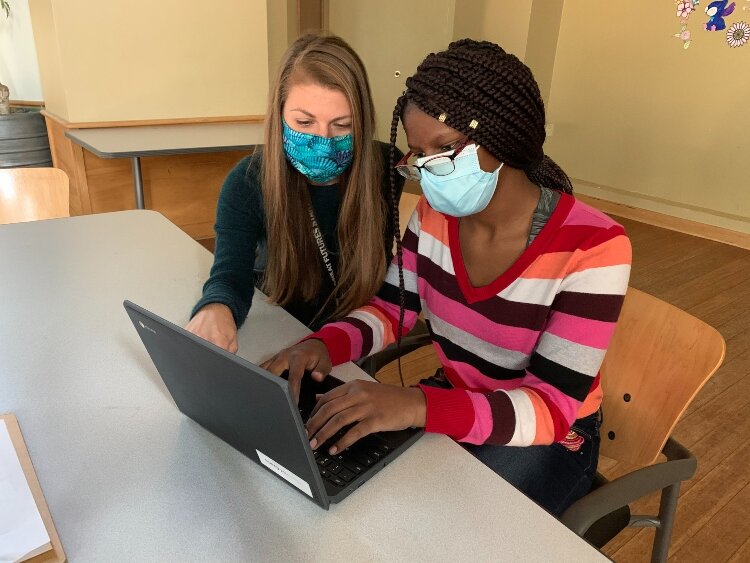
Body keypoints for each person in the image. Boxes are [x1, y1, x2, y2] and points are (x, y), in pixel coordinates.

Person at [262, 39, 632, 516]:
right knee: (359, 488)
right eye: (418, 153)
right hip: (459, 398)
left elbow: (548, 409)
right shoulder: (434, 216)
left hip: (554, 436)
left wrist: (416, 405)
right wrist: (323, 346)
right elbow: (390, 310)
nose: (429, 171)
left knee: (442, 523)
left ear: (504, 139)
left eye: (444, 149)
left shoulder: (594, 248)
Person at [187, 34, 403, 352]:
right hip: (282, 337)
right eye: (304, 122)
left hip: (356, 338)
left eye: (342, 125)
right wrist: (215, 308)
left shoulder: (387, 168)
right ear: (280, 115)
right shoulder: (247, 182)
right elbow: (230, 273)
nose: (323, 141)